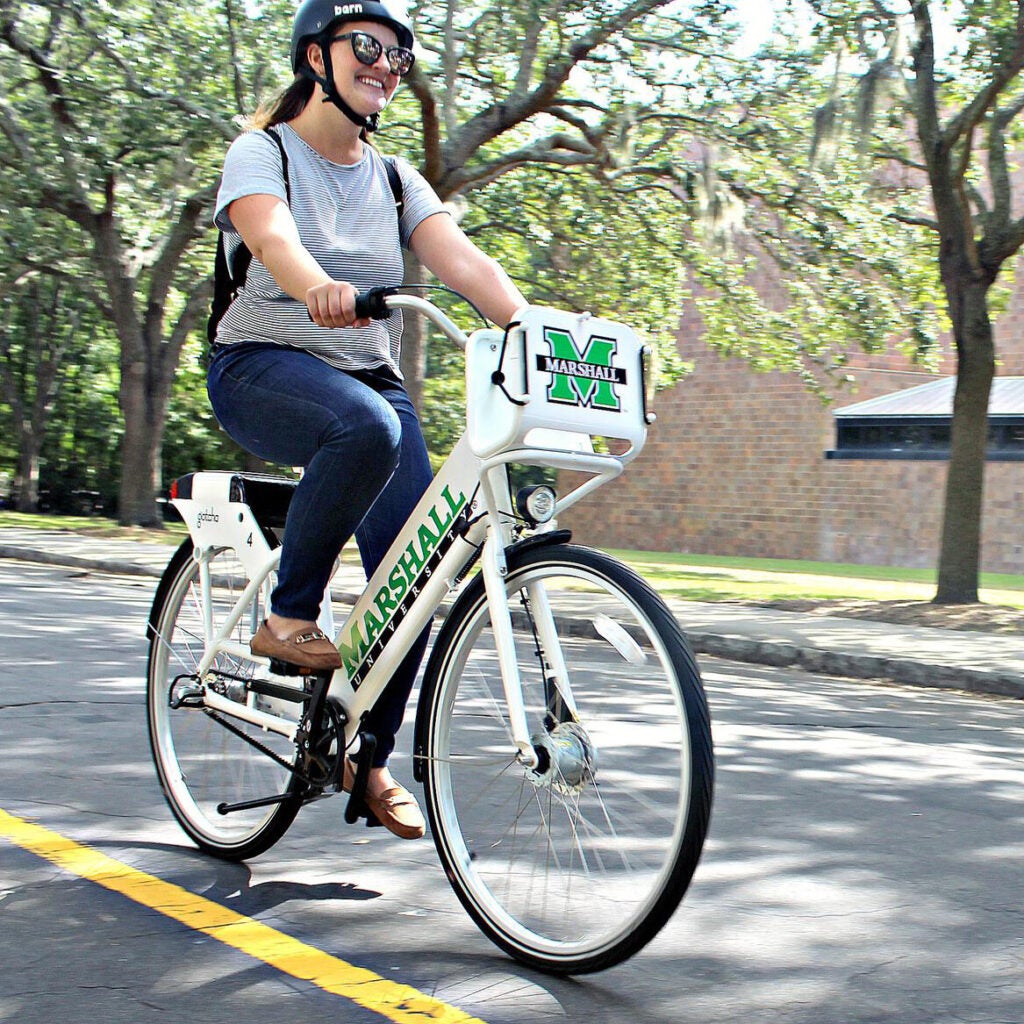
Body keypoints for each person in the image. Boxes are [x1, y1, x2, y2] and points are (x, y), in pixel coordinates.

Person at [207, 0, 526, 839]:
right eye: (368, 47)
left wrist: (533, 331)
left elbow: (460, 258)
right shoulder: (262, 151)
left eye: (399, 56)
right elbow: (270, 235)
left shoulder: (392, 179)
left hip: (365, 376)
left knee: (421, 572)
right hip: (260, 367)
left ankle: (367, 758)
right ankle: (288, 616)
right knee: (367, 430)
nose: (386, 65)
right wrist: (315, 282)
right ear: (317, 56)